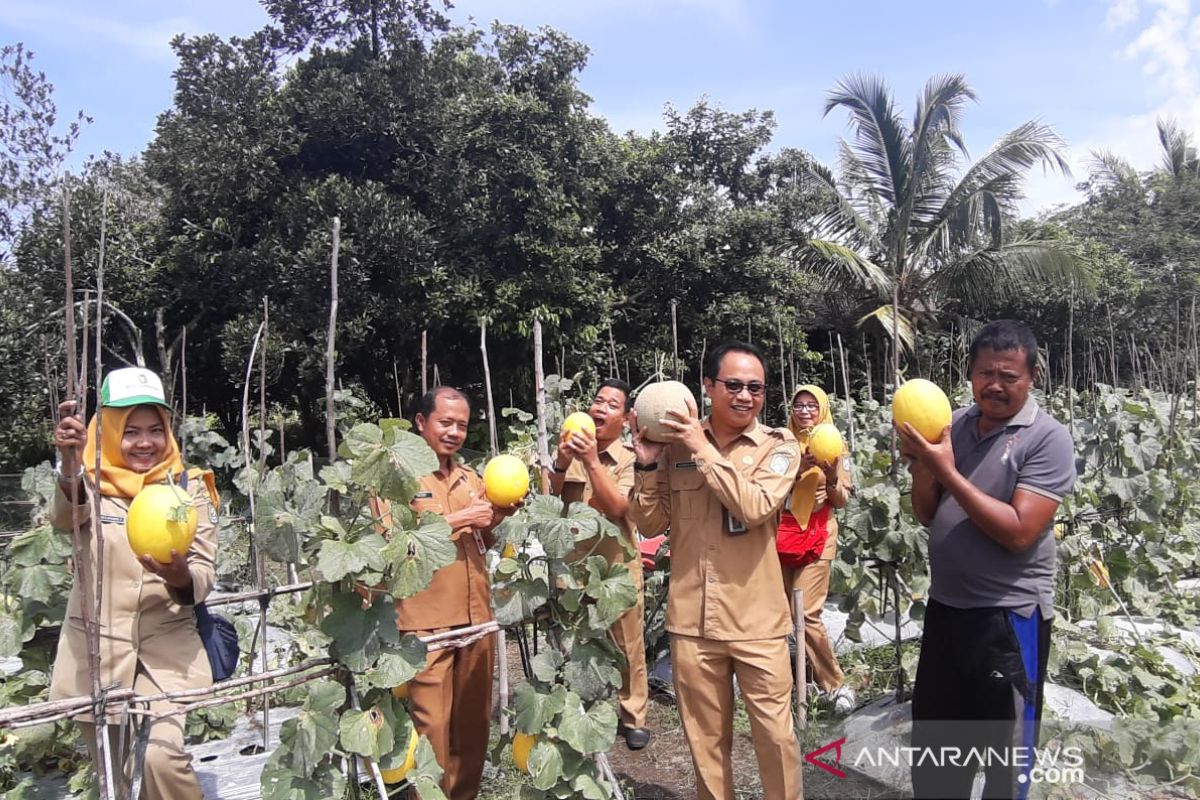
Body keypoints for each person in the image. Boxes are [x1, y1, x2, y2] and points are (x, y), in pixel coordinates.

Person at [898, 320, 1076, 800]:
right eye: (984, 374)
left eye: (1009, 376)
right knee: (937, 755)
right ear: (970, 374)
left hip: (1009, 620)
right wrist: (922, 468)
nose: (994, 385)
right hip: (947, 612)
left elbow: (1019, 533)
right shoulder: (952, 424)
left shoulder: (1047, 439)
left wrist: (944, 469)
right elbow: (927, 512)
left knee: (1004, 761)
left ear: (1032, 376)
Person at [630, 341, 802, 800]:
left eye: (756, 388)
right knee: (705, 743)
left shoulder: (778, 447)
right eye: (733, 385)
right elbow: (650, 522)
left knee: (776, 738)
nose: (745, 396)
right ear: (708, 387)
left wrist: (699, 447)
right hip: (692, 622)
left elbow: (754, 506)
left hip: (757, 623)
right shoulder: (673, 447)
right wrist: (646, 464)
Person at [50, 367, 220, 800]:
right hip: (96, 650)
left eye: (154, 430)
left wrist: (182, 578)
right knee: (114, 775)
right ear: (106, 432)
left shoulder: (188, 487)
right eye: (130, 431)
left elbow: (203, 571)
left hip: (170, 650)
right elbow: (66, 521)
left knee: (161, 758)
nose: (145, 443)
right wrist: (71, 463)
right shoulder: (87, 481)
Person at [370, 386, 510, 800]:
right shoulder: (395, 479)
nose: (453, 432)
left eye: (462, 425)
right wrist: (463, 517)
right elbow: (393, 540)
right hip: (425, 625)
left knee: (472, 730)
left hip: (477, 618)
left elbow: (485, 540)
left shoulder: (472, 479)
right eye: (445, 422)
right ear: (421, 422)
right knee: (432, 732)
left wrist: (495, 517)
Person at [549, 378, 651, 750]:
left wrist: (591, 461)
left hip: (616, 569)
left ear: (625, 420)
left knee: (627, 647)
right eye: (597, 401)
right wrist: (561, 463)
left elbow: (620, 508)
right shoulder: (567, 452)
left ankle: (633, 715)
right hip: (574, 569)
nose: (600, 408)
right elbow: (548, 503)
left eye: (611, 405)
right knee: (576, 646)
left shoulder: (630, 460)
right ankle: (580, 710)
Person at [778, 384, 854, 714]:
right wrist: (798, 468)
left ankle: (836, 685)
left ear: (822, 409)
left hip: (819, 535)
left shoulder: (835, 444)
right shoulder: (781, 444)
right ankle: (798, 682)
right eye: (800, 405)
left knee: (805, 613)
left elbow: (842, 499)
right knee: (782, 613)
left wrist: (830, 474)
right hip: (782, 534)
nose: (805, 411)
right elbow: (768, 485)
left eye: (812, 405)